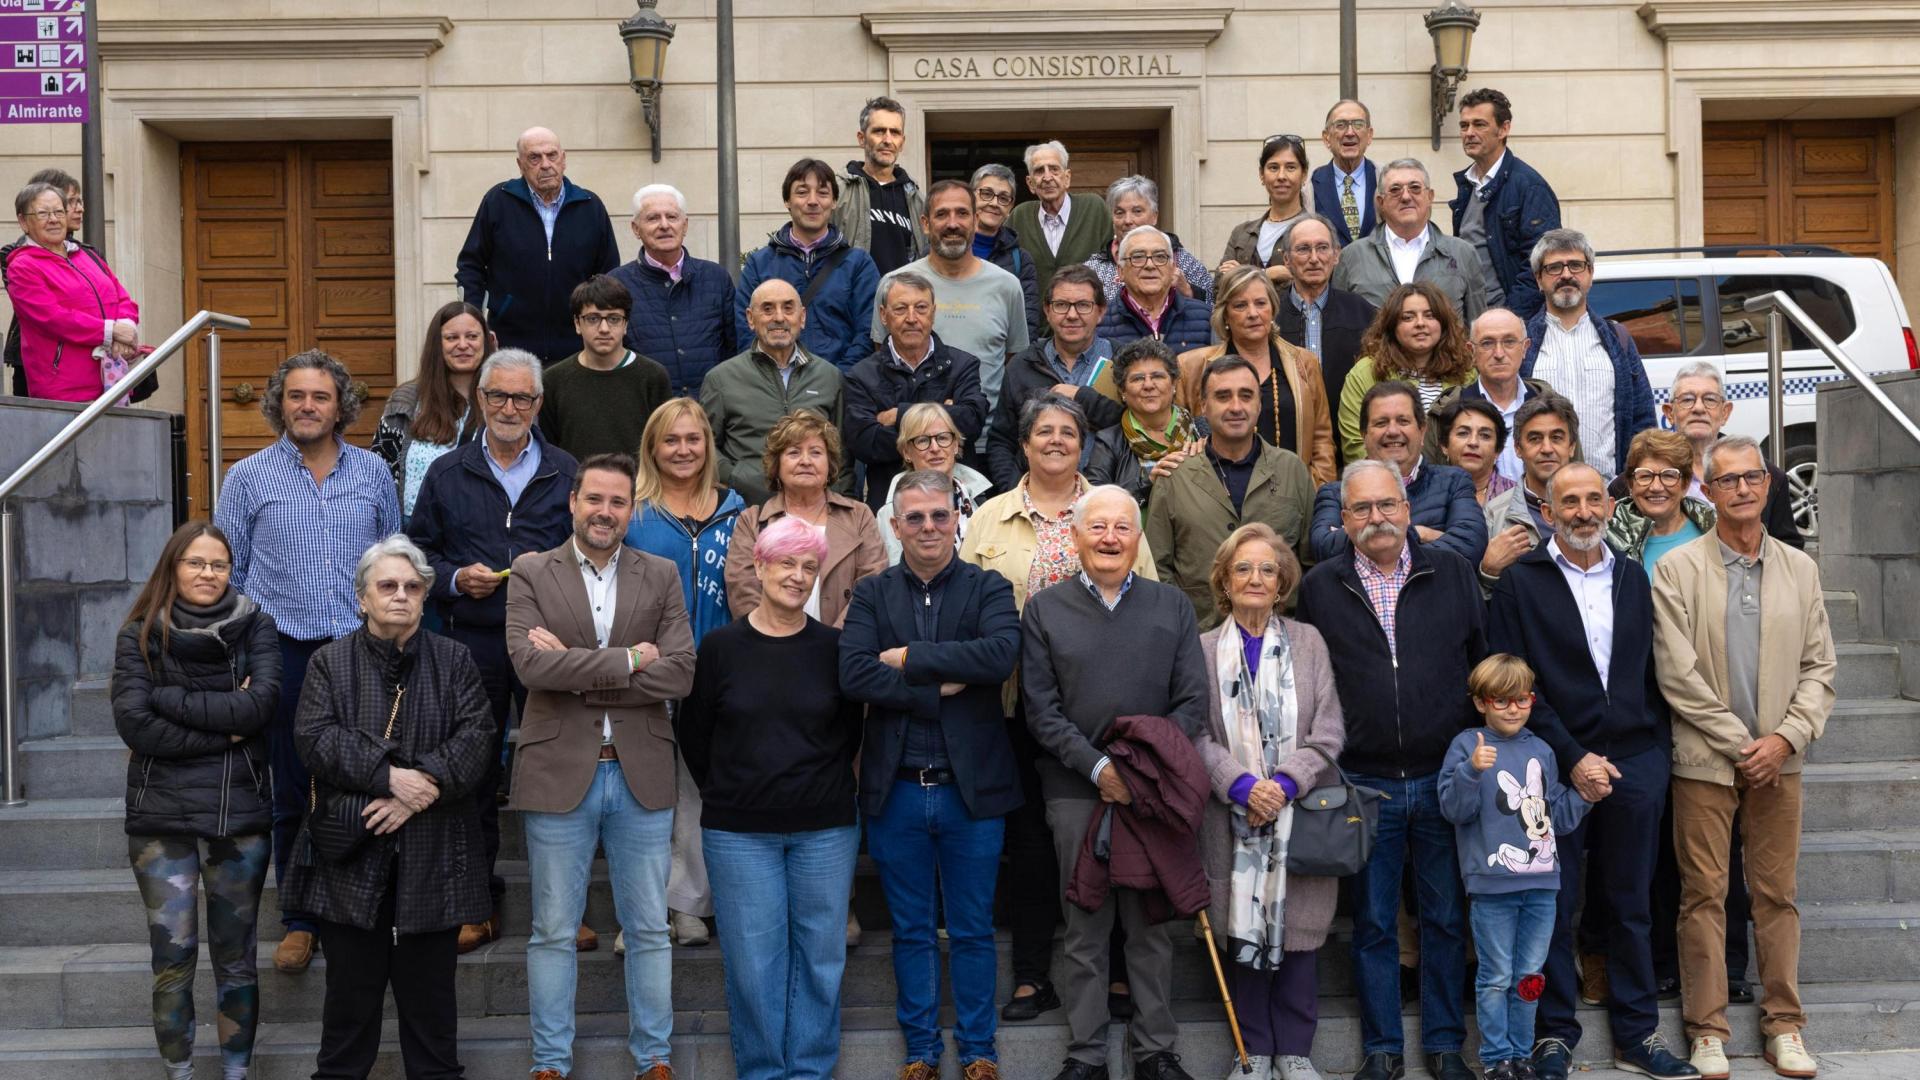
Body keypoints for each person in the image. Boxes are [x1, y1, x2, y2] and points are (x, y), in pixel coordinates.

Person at [1487, 462, 1700, 1080]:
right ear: (1547, 512)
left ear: (1610, 506)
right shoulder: (1519, 585)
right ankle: (1553, 1035)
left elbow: (1652, 674)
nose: (1583, 511)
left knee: (1632, 904)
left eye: (1593, 500)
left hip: (1636, 764)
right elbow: (1514, 684)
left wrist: (1652, 753)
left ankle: (1639, 1033)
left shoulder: (1634, 578)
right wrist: (1574, 757)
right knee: (1555, 905)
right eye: (1568, 502)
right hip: (1552, 768)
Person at [962, 396, 1158, 1025]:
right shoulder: (990, 518)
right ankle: (1029, 976)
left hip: (1103, 711)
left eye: (1066, 432)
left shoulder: (1110, 510)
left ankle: (1123, 976)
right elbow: (967, 607)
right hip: (1014, 706)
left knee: (1118, 837)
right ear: (1023, 444)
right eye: (1041, 430)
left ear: (1084, 445)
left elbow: (1147, 599)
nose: (1054, 440)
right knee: (1030, 842)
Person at [504, 452, 698, 1080]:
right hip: (558, 769)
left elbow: (682, 671)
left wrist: (580, 667)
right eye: (594, 499)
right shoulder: (532, 571)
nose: (605, 512)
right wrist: (630, 661)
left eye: (618, 502)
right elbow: (532, 668)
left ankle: (655, 1060)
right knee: (554, 930)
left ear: (631, 509)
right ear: (573, 502)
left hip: (640, 770)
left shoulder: (662, 573)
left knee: (647, 927)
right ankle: (550, 1064)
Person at [1293, 458, 1487, 1080]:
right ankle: (1381, 1049)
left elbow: (1482, 665)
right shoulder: (1320, 586)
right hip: (1362, 782)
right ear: (1343, 520)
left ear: (1407, 509)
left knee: (1444, 918)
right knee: (1374, 922)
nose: (1376, 518)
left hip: (1443, 776)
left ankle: (1443, 1044)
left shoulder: (1452, 571)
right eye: (1361, 509)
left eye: (1387, 505)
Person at [1653, 435, 1836, 1080]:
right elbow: (1677, 675)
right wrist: (1740, 744)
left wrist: (1785, 739)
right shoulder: (1677, 568)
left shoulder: (1800, 568)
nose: (1741, 489)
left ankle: (1784, 1026)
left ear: (1767, 485)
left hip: (1780, 761)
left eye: (1752, 478)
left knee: (1776, 896)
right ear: (1707, 490)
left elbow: (1820, 668)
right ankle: (1707, 1031)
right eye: (1726, 480)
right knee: (1703, 894)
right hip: (1706, 762)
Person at [214, 349, 402, 974]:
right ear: (279, 403)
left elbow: (394, 566)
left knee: (367, 778)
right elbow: (228, 578)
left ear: (340, 406)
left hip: (361, 652)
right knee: (292, 787)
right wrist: (239, 659)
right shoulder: (247, 478)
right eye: (296, 396)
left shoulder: (374, 474)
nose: (307, 406)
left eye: (320, 397)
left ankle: (365, 903)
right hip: (281, 652)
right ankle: (299, 920)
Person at [283, 535, 495, 1080]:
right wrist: (390, 777)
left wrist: (420, 787)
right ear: (363, 599)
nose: (400, 595)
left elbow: (478, 736)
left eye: (412, 587)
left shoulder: (454, 659)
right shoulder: (330, 663)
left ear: (425, 597)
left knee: (432, 1022)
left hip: (435, 858)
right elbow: (314, 738)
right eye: (387, 586)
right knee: (348, 1017)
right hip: (351, 861)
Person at [1021, 484, 1209, 1080]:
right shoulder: (1044, 609)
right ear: (1074, 537)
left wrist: (1135, 771)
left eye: (1121, 528)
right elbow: (1040, 710)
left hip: (1151, 792)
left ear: (1137, 538)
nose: (1109, 538)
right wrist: (1099, 768)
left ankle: (1155, 1050)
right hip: (1076, 790)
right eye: (1096, 527)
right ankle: (1087, 1055)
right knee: (1084, 925)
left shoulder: (1172, 606)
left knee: (1150, 926)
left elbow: (1191, 703)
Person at [841, 469, 1024, 1080]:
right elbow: (855, 675)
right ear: (895, 526)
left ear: (957, 521)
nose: (927, 527)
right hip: (896, 791)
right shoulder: (871, 595)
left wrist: (910, 660)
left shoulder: (988, 587)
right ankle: (920, 1050)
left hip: (972, 795)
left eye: (939, 516)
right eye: (914, 517)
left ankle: (978, 1051)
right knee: (912, 931)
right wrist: (938, 685)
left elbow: (999, 656)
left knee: (972, 930)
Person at [406, 347, 579, 952]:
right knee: (471, 776)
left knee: (558, 775)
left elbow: (589, 554)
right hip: (469, 640)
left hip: (547, 642)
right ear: (479, 401)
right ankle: (476, 903)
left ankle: (566, 908)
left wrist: (549, 576)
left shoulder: (565, 469)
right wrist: (455, 579)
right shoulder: (447, 472)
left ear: (538, 404)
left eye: (523, 398)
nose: (510, 407)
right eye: (498, 396)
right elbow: (418, 551)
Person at [680, 515, 864, 1080]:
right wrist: (734, 790)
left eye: (809, 567)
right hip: (739, 832)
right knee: (754, 964)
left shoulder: (835, 647)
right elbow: (695, 734)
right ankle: (762, 1071)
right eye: (787, 563)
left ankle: (809, 1070)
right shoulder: (719, 647)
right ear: (758, 566)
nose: (798, 576)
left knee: (820, 959)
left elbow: (849, 732)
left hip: (825, 828)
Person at [112, 521, 280, 1080]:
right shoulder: (138, 633)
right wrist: (225, 728)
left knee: (237, 961)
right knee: (172, 963)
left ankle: (236, 1074)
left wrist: (171, 699)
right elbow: (137, 724)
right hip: (161, 821)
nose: (209, 574)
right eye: (196, 563)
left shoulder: (256, 624)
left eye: (219, 565)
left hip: (240, 816)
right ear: (173, 568)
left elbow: (260, 709)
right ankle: (179, 1074)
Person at [1192, 524, 1346, 1080]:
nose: (1255, 578)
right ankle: (1252, 1050)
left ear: (1282, 584)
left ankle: (1295, 1052)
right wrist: (1240, 786)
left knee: (1300, 932)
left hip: (1296, 813)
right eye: (1243, 569)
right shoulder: (1203, 649)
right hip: (1228, 816)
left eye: (1267, 570)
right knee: (1241, 928)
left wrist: (1281, 784)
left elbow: (1327, 732)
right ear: (1224, 583)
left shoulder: (1308, 642)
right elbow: (1192, 732)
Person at [625, 398, 748, 948]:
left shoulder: (737, 507)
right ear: (652, 446)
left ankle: (691, 907)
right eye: (670, 440)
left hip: (717, 668)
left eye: (693, 439)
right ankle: (644, 911)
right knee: (646, 792)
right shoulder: (634, 511)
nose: (683, 450)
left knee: (699, 790)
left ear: (708, 445)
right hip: (647, 669)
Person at [1436, 654, 1594, 1080]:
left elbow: (1555, 816)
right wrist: (1471, 772)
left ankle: (1522, 1056)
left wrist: (1588, 795)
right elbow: (1453, 809)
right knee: (1496, 976)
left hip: (1542, 885)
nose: (1512, 708)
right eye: (1500, 700)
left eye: (1521, 699)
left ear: (1531, 700)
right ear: (1480, 702)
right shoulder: (1468, 746)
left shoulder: (1542, 750)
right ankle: (1495, 1059)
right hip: (1491, 887)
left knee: (1529, 976)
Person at [1146, 355, 1316, 627]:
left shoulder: (1291, 469)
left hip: (1279, 635)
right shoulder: (1175, 477)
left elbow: (1310, 561)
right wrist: (1179, 627)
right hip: (1199, 636)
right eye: (1223, 396)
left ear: (1259, 405)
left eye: (1246, 396)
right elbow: (1156, 567)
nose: (1236, 407)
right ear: (1203, 405)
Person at [454, 127, 619, 364]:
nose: (545, 164)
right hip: (509, 345)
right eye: (534, 157)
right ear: (520, 164)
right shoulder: (498, 201)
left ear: (563, 160)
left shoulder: (590, 206)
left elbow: (608, 276)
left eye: (552, 155)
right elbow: (470, 266)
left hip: (577, 349)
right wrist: (475, 321)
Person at [869, 180, 1030, 415]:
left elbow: (1012, 359)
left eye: (962, 213)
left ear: (975, 221)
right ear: (925, 223)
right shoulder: (894, 285)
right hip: (913, 439)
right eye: (942, 214)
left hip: (986, 440)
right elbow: (883, 354)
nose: (952, 224)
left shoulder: (1007, 286)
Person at [1173, 264, 1337, 482]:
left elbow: (1321, 440)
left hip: (1293, 497)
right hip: (1222, 499)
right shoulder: (1191, 367)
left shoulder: (1304, 363)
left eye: (1260, 303)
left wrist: (1315, 494)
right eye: (1240, 305)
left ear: (1272, 309)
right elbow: (1180, 441)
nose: (1253, 313)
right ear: (1226, 316)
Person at [727, 410, 888, 630]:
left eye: (815, 453)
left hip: (843, 647)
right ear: (777, 465)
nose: (805, 461)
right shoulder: (752, 522)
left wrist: (834, 642)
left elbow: (872, 584)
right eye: (793, 453)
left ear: (830, 464)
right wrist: (774, 638)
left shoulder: (859, 516)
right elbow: (742, 591)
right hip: (770, 650)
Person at [847, 271, 991, 508]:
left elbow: (971, 421)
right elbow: (866, 443)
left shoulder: (963, 365)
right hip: (889, 505)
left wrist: (900, 414)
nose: (912, 318)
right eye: (901, 309)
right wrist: (944, 426)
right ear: (883, 315)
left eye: (921, 308)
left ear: (933, 313)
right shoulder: (861, 376)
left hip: (959, 502)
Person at [1519, 228, 1655, 479]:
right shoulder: (1522, 342)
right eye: (1555, 267)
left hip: (1607, 492)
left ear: (1590, 274)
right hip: (1541, 493)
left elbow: (1643, 419)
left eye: (1576, 265)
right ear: (1539, 279)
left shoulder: (1618, 339)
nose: (1567, 274)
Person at [1621, 361, 1802, 548]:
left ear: (1725, 412)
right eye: (1687, 399)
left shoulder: (1764, 477)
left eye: (1710, 399)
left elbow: (1788, 547)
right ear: (1669, 413)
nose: (1698, 408)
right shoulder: (1638, 478)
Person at [703, 277, 847, 507]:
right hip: (747, 508)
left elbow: (843, 451)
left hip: (816, 511)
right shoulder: (721, 379)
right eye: (767, 309)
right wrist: (737, 478)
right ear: (751, 318)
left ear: (802, 317)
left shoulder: (829, 376)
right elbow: (705, 445)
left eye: (788, 308)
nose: (779, 317)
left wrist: (839, 504)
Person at [1309, 380, 1487, 565]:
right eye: (1381, 423)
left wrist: (1364, 533)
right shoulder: (1335, 494)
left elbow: (1470, 546)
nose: (1393, 431)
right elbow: (1324, 547)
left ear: (1422, 430)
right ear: (1363, 435)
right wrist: (1421, 533)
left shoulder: (1454, 482)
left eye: (1403, 421)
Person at [735, 157, 882, 373]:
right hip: (773, 386)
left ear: (833, 202)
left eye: (822, 193)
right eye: (802, 192)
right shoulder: (760, 264)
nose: (813, 201)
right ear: (787, 201)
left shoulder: (858, 264)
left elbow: (867, 332)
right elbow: (745, 329)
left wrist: (836, 380)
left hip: (841, 386)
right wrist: (774, 378)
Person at [989, 263, 1123, 491]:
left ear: (1101, 311)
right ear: (1047, 311)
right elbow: (1002, 440)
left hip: (1107, 498)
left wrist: (1083, 398)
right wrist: (1013, 491)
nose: (1072, 315)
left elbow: (1137, 424)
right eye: (1061, 305)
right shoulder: (1023, 365)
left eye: (1083, 305)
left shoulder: (1122, 362)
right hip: (1036, 500)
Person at [5, 181, 141, 402]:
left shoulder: (86, 255)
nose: (53, 219)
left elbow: (121, 296)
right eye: (43, 213)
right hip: (66, 391)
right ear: (23, 221)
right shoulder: (23, 266)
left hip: (112, 382)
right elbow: (53, 317)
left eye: (59, 211)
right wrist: (111, 331)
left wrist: (126, 327)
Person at [608, 183, 737, 397]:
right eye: (652, 218)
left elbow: (733, 350)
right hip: (647, 416)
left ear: (685, 225)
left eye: (672, 216)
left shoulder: (716, 278)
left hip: (709, 414)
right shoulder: (615, 285)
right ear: (635, 229)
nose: (664, 225)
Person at [1331, 158, 1490, 326]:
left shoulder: (1462, 253)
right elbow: (1339, 327)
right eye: (1395, 190)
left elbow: (1478, 328)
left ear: (1430, 197)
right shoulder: (1352, 257)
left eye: (1415, 188)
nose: (1406, 197)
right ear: (1380, 202)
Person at [1449, 89, 1561, 320]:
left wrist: (1509, 320)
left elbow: (1541, 266)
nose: (1469, 133)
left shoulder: (1529, 186)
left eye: (1479, 124)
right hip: (1471, 324)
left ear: (1504, 129)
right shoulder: (1467, 185)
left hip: (1508, 328)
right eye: (1464, 126)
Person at [1336, 281, 1478, 462]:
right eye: (1408, 317)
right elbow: (1354, 445)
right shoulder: (1365, 372)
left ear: (1443, 323)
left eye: (1430, 316)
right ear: (1392, 326)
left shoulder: (1466, 373)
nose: (1420, 324)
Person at [1272, 215, 1378, 456]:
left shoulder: (1362, 312)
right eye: (1303, 249)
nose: (1314, 259)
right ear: (1287, 259)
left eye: (1322, 248)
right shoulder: (1270, 314)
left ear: (1336, 255)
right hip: (1284, 447)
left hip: (1349, 445)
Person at [374, 301, 490, 516]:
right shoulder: (405, 400)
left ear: (486, 341)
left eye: (472, 336)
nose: (463, 345)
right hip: (414, 534)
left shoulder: (505, 400)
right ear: (437, 344)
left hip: (478, 532)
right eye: (452, 337)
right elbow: (380, 472)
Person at [538, 275, 671, 461]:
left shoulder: (653, 376)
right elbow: (550, 450)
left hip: (639, 488)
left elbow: (662, 444)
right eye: (593, 318)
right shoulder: (553, 380)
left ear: (626, 324)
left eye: (614, 319)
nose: (604, 328)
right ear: (577, 323)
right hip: (576, 488)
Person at [1421, 307, 1554, 483]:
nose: (1499, 354)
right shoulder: (1446, 412)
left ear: (1525, 348)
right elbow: (1429, 484)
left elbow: (1573, 475)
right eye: (1487, 343)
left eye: (1509, 342)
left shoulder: (1552, 407)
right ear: (1471, 352)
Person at [1479, 394, 1581, 588]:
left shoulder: (1597, 507)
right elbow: (1477, 605)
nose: (1547, 448)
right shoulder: (1494, 514)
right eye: (1535, 439)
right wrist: (1488, 571)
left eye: (1557, 438)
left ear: (1571, 447)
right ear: (1518, 448)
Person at [1085, 338, 1198, 509]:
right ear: (1123, 391)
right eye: (1137, 379)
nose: (1148, 385)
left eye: (1158, 376)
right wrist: (1148, 484)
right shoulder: (1109, 441)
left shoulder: (1201, 431)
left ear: (1174, 383)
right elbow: (1094, 503)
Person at [877, 403, 994, 565]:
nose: (935, 448)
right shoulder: (891, 512)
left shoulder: (982, 503)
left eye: (943, 438)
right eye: (923, 440)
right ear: (906, 452)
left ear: (955, 445)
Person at [833, 96, 927, 276]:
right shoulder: (838, 192)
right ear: (861, 138)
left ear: (902, 142)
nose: (887, 139)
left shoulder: (917, 200)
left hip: (903, 302)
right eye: (879, 131)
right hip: (855, 302)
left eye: (895, 132)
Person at [1085, 176, 1213, 307]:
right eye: (1119, 212)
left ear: (1154, 216)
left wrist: (1189, 291)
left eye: (1137, 211)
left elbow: (1214, 312)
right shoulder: (1093, 269)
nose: (1128, 220)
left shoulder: (1185, 263)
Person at [1006, 140, 1114, 295]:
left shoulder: (1094, 208)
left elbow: (1113, 262)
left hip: (1086, 315)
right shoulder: (1020, 216)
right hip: (1036, 317)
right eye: (1039, 171)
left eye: (1054, 169)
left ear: (1067, 177)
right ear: (1030, 183)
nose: (1047, 177)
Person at [1096, 226, 1214, 356]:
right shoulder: (1099, 323)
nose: (1150, 265)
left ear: (1173, 267)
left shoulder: (1206, 319)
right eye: (1138, 257)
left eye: (1160, 257)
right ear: (1121, 271)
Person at [1607, 428, 1714, 570]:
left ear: (1685, 484)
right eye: (1645, 476)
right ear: (1630, 483)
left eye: (1668, 476)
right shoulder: (1607, 536)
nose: (1656, 487)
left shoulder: (1712, 528)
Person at [1218, 134, 1312, 283]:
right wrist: (1267, 273)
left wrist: (1240, 275)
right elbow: (1219, 285)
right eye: (1273, 167)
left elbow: (1311, 281)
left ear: (1304, 174)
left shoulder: (1316, 230)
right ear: (1262, 175)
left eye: (1291, 167)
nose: (1281, 176)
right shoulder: (1241, 233)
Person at [970, 163, 1043, 340]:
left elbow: (1028, 323)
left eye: (1003, 198)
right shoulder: (941, 251)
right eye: (986, 194)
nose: (994, 203)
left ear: (1010, 208)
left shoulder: (1021, 260)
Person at [1315, 101, 1381, 247]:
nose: (1350, 132)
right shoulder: (1310, 185)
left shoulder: (1385, 180)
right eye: (1340, 125)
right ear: (1326, 137)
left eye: (1358, 124)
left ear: (1369, 135)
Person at [1437, 396, 1515, 507]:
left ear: (1498, 450)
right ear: (1444, 445)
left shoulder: (1517, 497)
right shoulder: (1424, 493)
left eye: (1485, 436)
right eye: (1463, 433)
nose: (1473, 442)